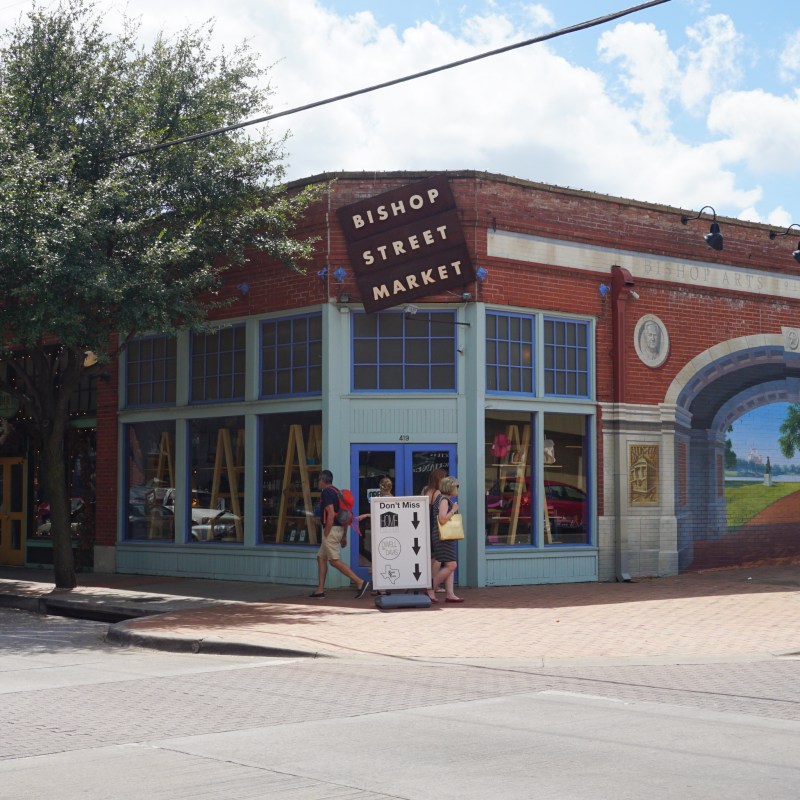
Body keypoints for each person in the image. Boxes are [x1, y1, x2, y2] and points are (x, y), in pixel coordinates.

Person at [310, 469, 371, 599]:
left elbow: (331, 514)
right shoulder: (337, 492)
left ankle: (359, 581)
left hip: (331, 530)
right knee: (321, 557)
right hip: (339, 530)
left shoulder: (326, 492)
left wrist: (326, 531)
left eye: (318, 481)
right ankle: (320, 590)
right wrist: (344, 536)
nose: (318, 484)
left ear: (322, 481)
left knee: (334, 561)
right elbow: (346, 515)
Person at [427, 475, 464, 603]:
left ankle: (450, 594)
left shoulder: (442, 499)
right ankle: (430, 589)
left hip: (444, 536)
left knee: (450, 564)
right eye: (456, 486)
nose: (458, 488)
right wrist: (453, 510)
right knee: (452, 565)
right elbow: (442, 520)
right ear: (451, 487)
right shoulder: (443, 500)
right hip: (442, 536)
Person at [422, 468, 447, 593]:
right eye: (443, 477)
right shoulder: (437, 493)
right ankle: (433, 584)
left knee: (430, 555)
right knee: (437, 557)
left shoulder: (425, 489)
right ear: (439, 479)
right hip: (434, 524)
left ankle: (428, 583)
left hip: (424, 524)